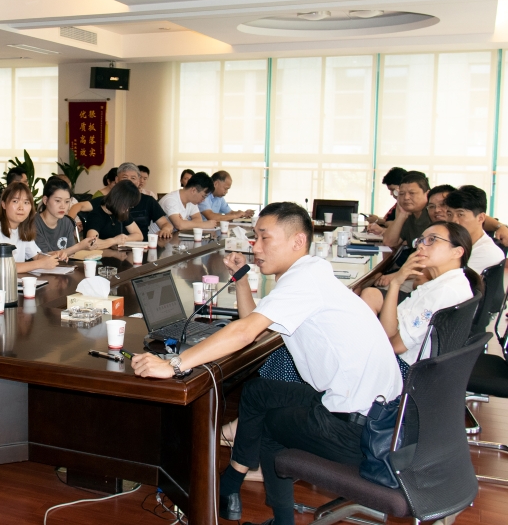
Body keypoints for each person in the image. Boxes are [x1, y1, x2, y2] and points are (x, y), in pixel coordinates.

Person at [132, 202, 402, 525]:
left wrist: (174, 365)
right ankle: (231, 484)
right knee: (259, 391)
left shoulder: (303, 281)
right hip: (380, 414)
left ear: (297, 241)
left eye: (264, 237)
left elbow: (246, 332)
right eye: (255, 237)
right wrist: (241, 280)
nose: (255, 247)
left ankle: (276, 517)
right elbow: (257, 328)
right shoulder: (311, 273)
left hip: (362, 431)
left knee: (272, 426)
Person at [361, 222, 478, 376]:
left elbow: (395, 346)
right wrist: (396, 283)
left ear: (457, 252)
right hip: (416, 368)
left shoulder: (443, 292)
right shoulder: (446, 283)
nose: (421, 246)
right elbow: (390, 332)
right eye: (420, 240)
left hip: (406, 372)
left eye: (432, 239)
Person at [70, 163, 174, 239]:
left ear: (139, 181)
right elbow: (78, 206)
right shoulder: (106, 202)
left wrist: (166, 229)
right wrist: (69, 225)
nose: (129, 181)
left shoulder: (148, 201)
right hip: (112, 250)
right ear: (117, 180)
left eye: (133, 178)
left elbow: (165, 224)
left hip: (141, 247)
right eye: (125, 178)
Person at [0, 182, 64, 273]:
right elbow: (0, 266)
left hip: (14, 280)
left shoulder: (23, 227)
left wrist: (53, 256)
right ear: (3, 204)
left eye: (26, 202)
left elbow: (36, 256)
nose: (21, 207)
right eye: (15, 201)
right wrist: (40, 264)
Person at [446, 186, 506, 274]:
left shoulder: (486, 253)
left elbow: (452, 280)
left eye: (460, 214)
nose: (453, 221)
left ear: (481, 218)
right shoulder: (455, 244)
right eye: (449, 214)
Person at [35, 177, 97, 254]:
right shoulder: (33, 224)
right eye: (58, 201)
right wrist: (79, 246)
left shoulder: (67, 222)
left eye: (67, 201)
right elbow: (42, 256)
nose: (63, 206)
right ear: (45, 200)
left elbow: (71, 253)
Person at [80, 180, 143, 249]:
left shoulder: (121, 212)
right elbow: (91, 243)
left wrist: (122, 239)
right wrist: (114, 241)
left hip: (115, 253)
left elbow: (139, 235)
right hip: (100, 254)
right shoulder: (96, 215)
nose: (127, 210)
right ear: (118, 200)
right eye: (126, 205)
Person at [380, 170, 432, 249]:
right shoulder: (409, 215)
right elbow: (388, 242)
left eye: (412, 193)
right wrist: (402, 214)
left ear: (427, 194)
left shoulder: (433, 215)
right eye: (402, 194)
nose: (406, 197)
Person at [366, 167, 407, 231]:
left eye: (392, 190)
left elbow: (400, 226)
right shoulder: (398, 204)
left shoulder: (407, 206)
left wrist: (378, 221)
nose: (391, 193)